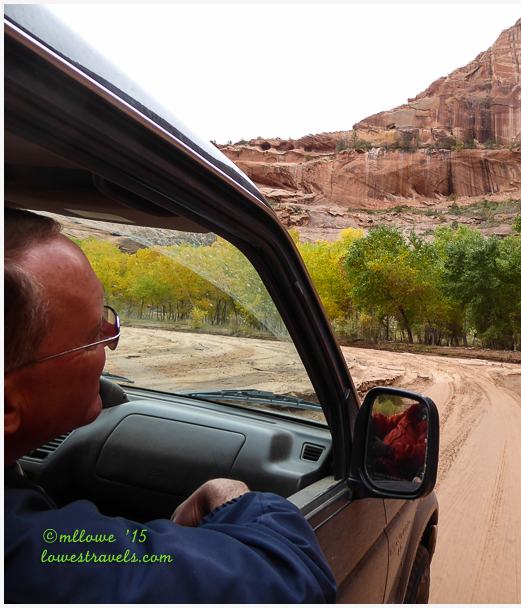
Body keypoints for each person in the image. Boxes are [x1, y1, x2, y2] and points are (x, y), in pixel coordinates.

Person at [4, 208, 337, 603]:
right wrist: (235, 501)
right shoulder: (27, 552)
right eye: (94, 335)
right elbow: (290, 579)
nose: (111, 341)